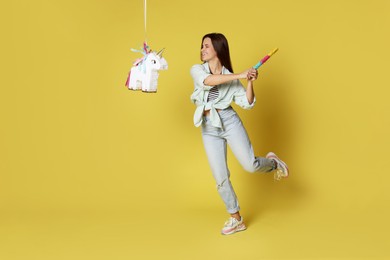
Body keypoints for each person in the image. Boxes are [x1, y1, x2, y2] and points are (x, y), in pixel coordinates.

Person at [190, 33, 289, 235]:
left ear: (218, 49)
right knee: (220, 176)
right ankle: (236, 218)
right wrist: (240, 75)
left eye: (206, 46)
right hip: (209, 125)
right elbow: (207, 81)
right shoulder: (197, 70)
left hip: (228, 121)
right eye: (202, 46)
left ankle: (273, 163)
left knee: (250, 165)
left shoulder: (231, 77)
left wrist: (250, 81)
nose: (202, 49)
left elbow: (248, 103)